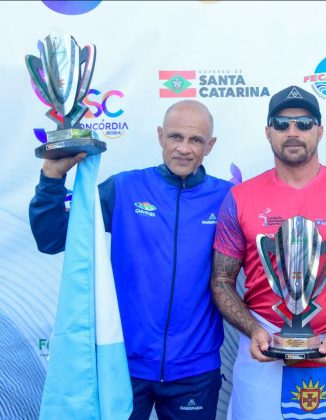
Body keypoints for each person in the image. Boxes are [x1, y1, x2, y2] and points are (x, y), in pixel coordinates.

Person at [29, 100, 231, 419]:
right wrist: (52, 178)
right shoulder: (125, 188)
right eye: (176, 137)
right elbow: (52, 238)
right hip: (124, 365)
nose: (184, 148)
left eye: (196, 140)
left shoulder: (226, 198)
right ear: (160, 136)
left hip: (195, 371)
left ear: (211, 145)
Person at [210, 85, 326, 419]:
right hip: (263, 354)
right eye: (281, 124)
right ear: (268, 132)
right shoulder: (241, 197)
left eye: (304, 123)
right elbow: (222, 279)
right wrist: (253, 330)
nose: (292, 132)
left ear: (319, 131)